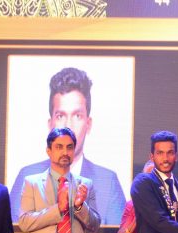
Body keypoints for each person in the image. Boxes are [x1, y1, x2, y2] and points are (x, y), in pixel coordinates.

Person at [10, 67, 125, 224]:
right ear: (50, 124)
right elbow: (16, 230)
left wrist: (80, 207)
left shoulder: (108, 181)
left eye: (77, 115)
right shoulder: (27, 176)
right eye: (60, 116)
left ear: (88, 124)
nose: (69, 125)